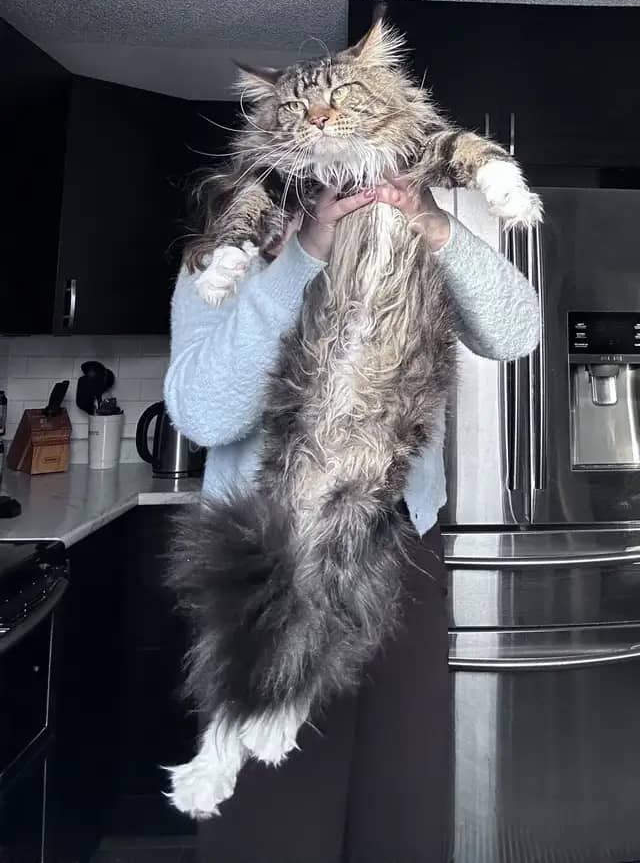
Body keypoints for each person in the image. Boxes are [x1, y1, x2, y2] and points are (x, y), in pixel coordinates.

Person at [164, 179, 540, 863]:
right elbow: (206, 416)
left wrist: (434, 226)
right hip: (271, 565)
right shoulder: (220, 271)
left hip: (397, 557)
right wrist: (301, 260)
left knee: (401, 816)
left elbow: (517, 332)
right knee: (272, 828)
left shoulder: (398, 250)